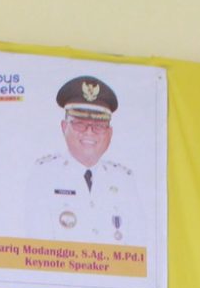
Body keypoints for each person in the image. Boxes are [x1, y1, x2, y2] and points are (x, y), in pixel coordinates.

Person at [24, 75, 142, 243]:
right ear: (64, 127)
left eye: (99, 125)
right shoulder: (44, 175)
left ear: (110, 133)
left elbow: (138, 245)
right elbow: (37, 245)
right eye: (79, 123)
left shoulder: (124, 180)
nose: (89, 132)